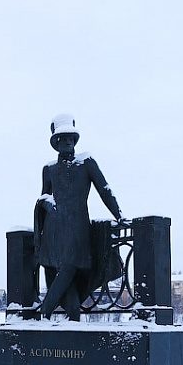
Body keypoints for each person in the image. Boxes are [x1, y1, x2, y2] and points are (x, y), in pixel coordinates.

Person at [34, 114, 123, 321]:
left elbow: (105, 189)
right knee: (66, 274)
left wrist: (119, 215)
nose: (67, 142)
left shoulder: (87, 163)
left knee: (70, 267)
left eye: (71, 138)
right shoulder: (49, 169)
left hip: (77, 229)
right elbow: (43, 195)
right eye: (62, 139)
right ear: (55, 143)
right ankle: (73, 318)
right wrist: (46, 203)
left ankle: (44, 313)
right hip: (54, 230)